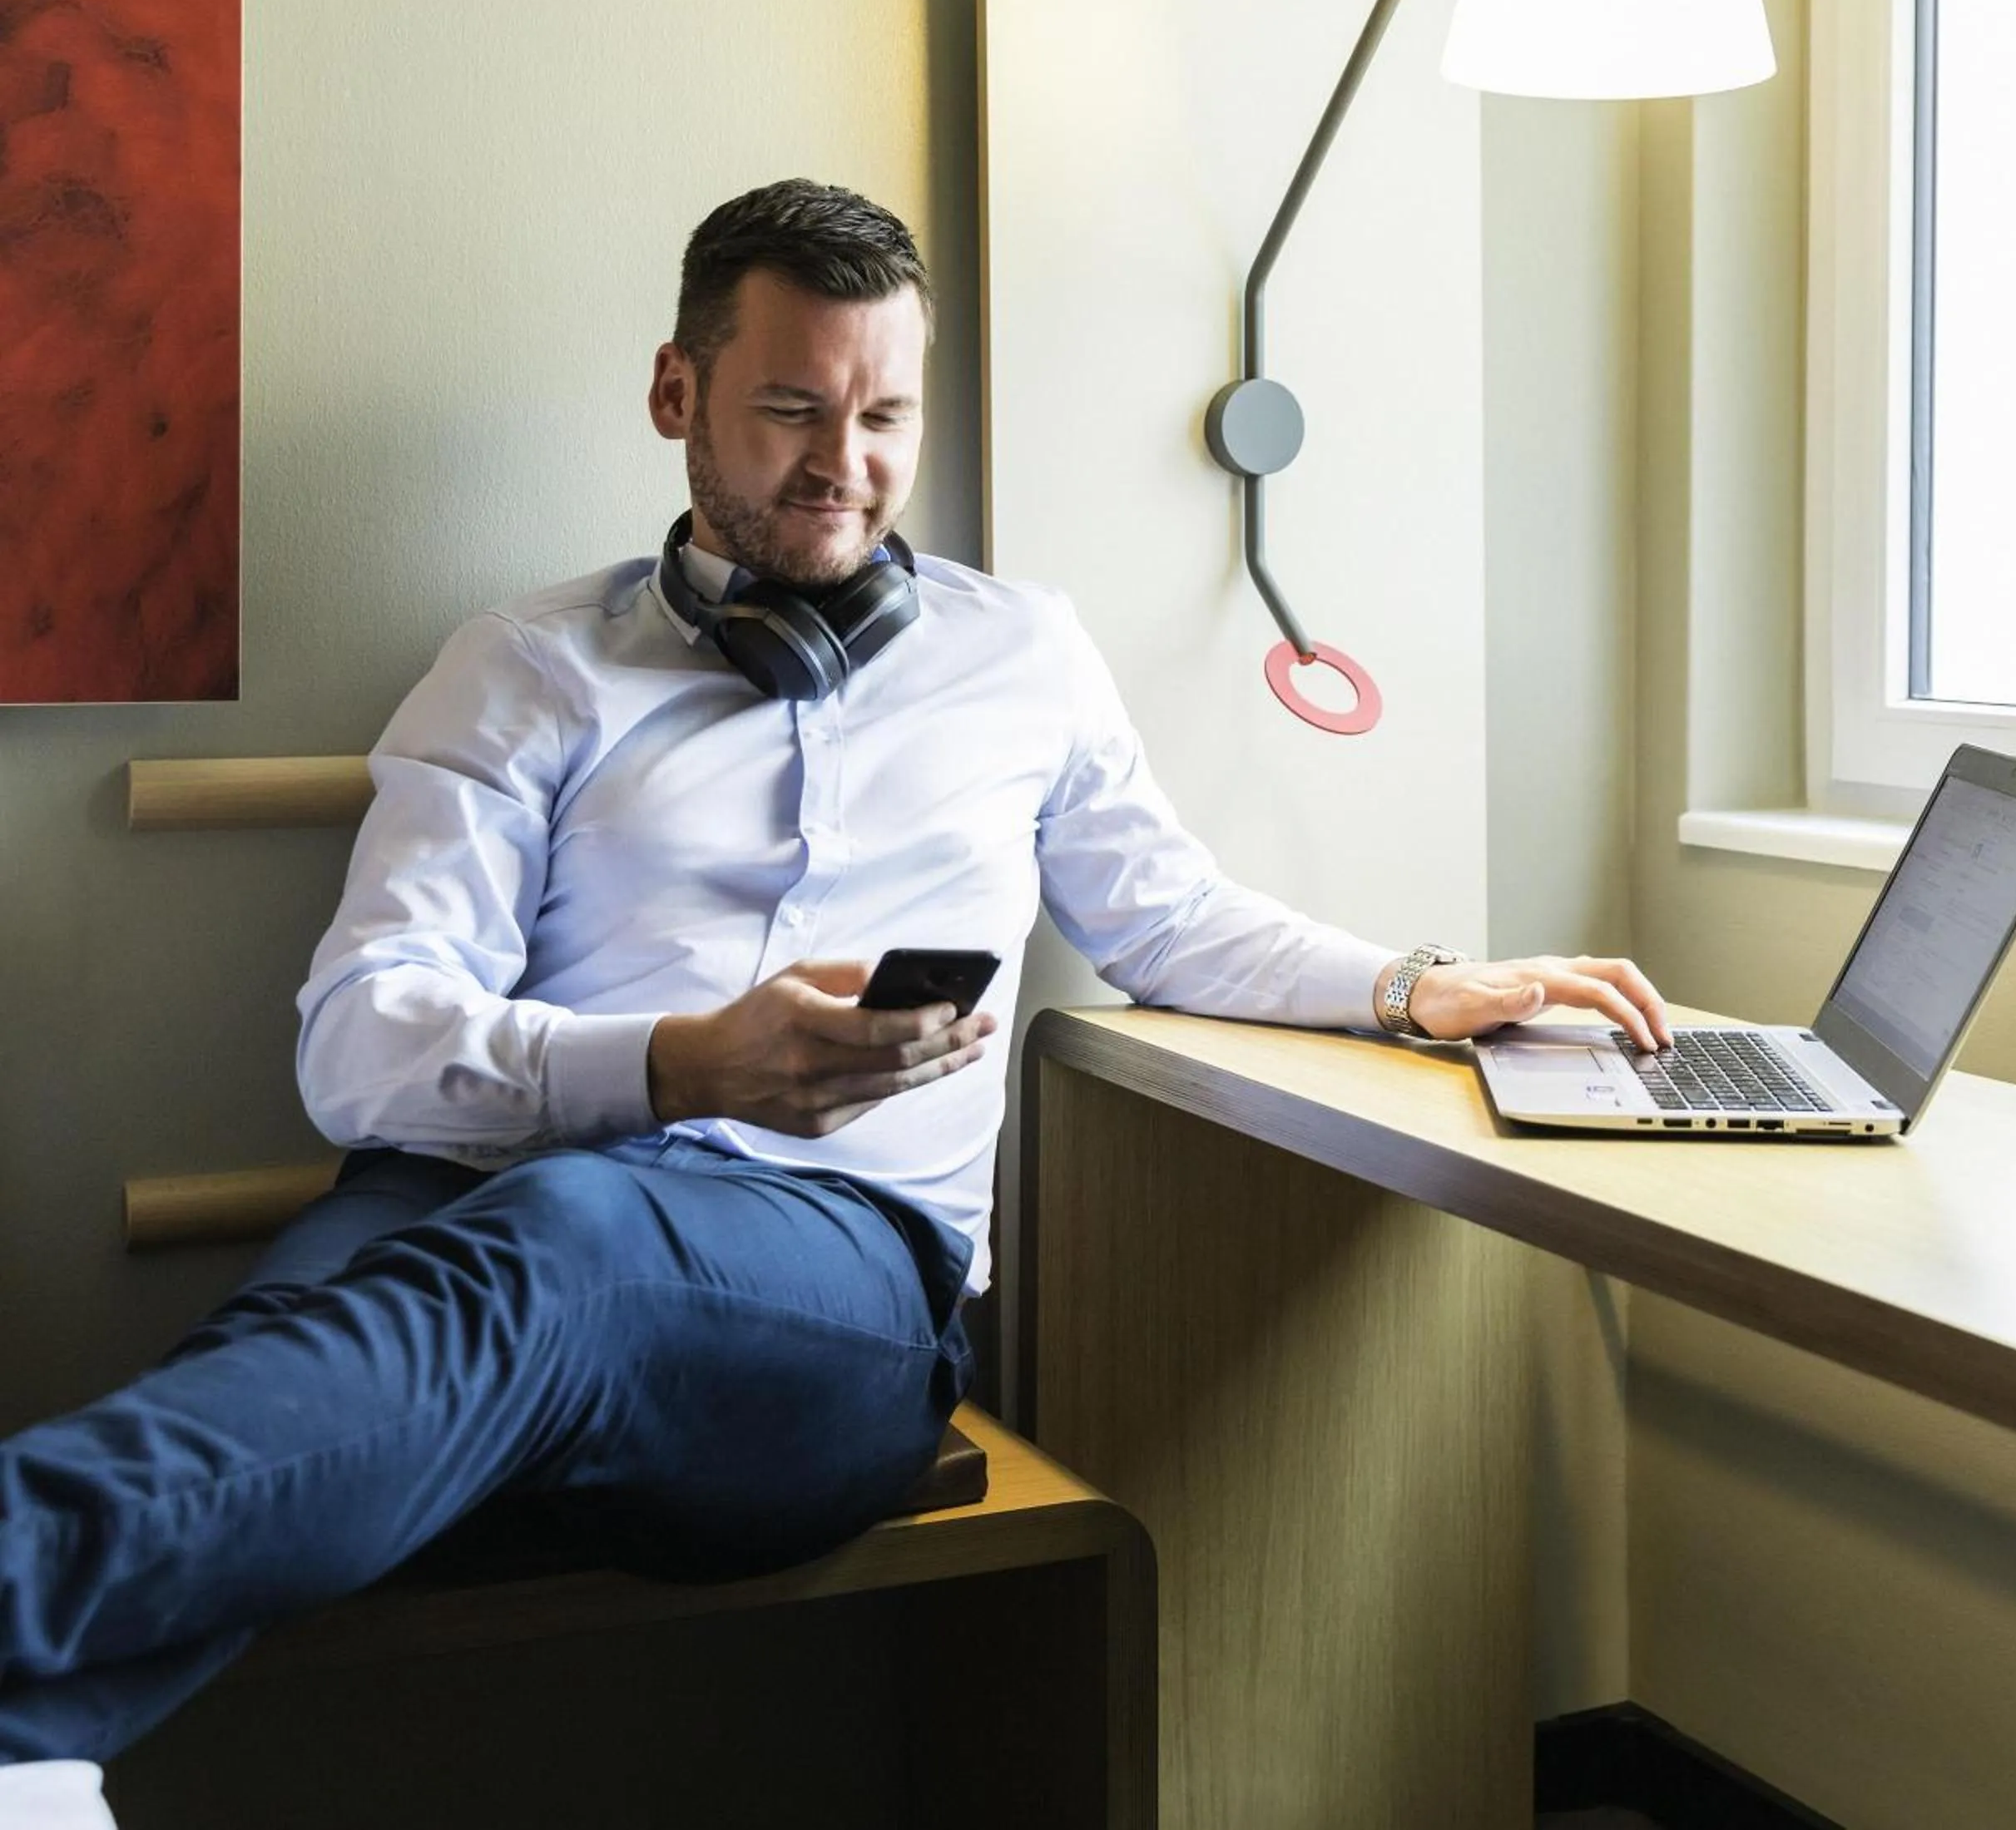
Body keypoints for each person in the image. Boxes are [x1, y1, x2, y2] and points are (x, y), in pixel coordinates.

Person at [0, 179, 1671, 1803]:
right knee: (308, 1348)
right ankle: (34, 1753)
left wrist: (1419, 984)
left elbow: (1172, 922)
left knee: (557, 1253)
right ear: (677, 391)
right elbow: (362, 1050)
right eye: (793, 409)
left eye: (885, 419)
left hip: (832, 1292)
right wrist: (669, 1067)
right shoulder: (524, 668)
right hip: (464, 1204)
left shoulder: (1024, 654)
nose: (844, 468)